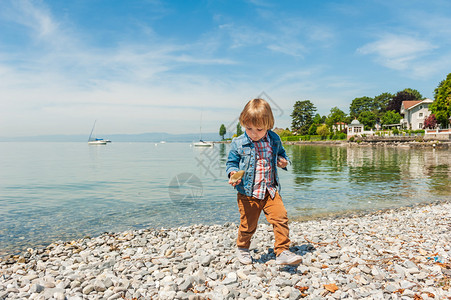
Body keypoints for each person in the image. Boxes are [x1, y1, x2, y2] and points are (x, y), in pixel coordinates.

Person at [226, 98, 302, 265]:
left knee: (280, 218)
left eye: (259, 129)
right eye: (248, 128)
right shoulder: (238, 143)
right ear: (243, 124)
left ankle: (282, 251)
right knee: (248, 225)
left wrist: (283, 162)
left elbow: (282, 155)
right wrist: (232, 172)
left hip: (270, 190)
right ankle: (243, 248)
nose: (254, 133)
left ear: (269, 125)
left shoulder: (274, 139)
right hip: (248, 193)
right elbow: (231, 163)